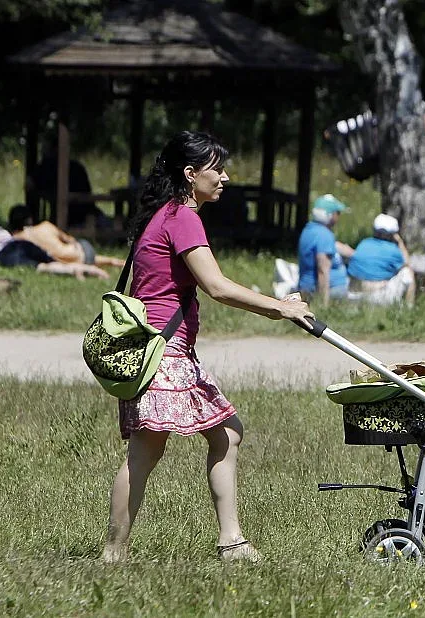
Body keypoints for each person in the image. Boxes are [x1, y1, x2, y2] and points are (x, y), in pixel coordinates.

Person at [101, 131, 314, 564]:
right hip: (165, 353)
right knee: (147, 452)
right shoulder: (182, 216)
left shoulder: (161, 215)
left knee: (225, 433)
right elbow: (216, 286)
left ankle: (230, 542)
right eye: (216, 169)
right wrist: (279, 307)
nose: (225, 177)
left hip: (159, 350)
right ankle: (113, 552)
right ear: (190, 173)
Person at [27, 136, 109, 229]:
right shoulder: (76, 167)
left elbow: (29, 184)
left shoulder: (47, 167)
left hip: (74, 219)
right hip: (85, 215)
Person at [7, 204, 125, 268]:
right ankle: (122, 263)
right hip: (83, 249)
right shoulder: (46, 226)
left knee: (79, 258)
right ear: (30, 219)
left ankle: (117, 263)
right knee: (80, 254)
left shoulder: (19, 240)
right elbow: (69, 239)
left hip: (72, 262)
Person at [347, 213, 416, 306]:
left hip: (354, 295)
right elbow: (407, 262)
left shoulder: (364, 243)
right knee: (407, 271)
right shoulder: (393, 250)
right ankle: (409, 307)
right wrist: (400, 242)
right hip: (378, 297)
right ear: (393, 234)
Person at [297, 194, 355, 304]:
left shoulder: (309, 229)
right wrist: (324, 303)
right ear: (329, 215)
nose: (338, 216)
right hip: (330, 290)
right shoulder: (324, 235)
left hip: (305, 287)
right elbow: (323, 270)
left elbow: (331, 246)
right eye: (337, 213)